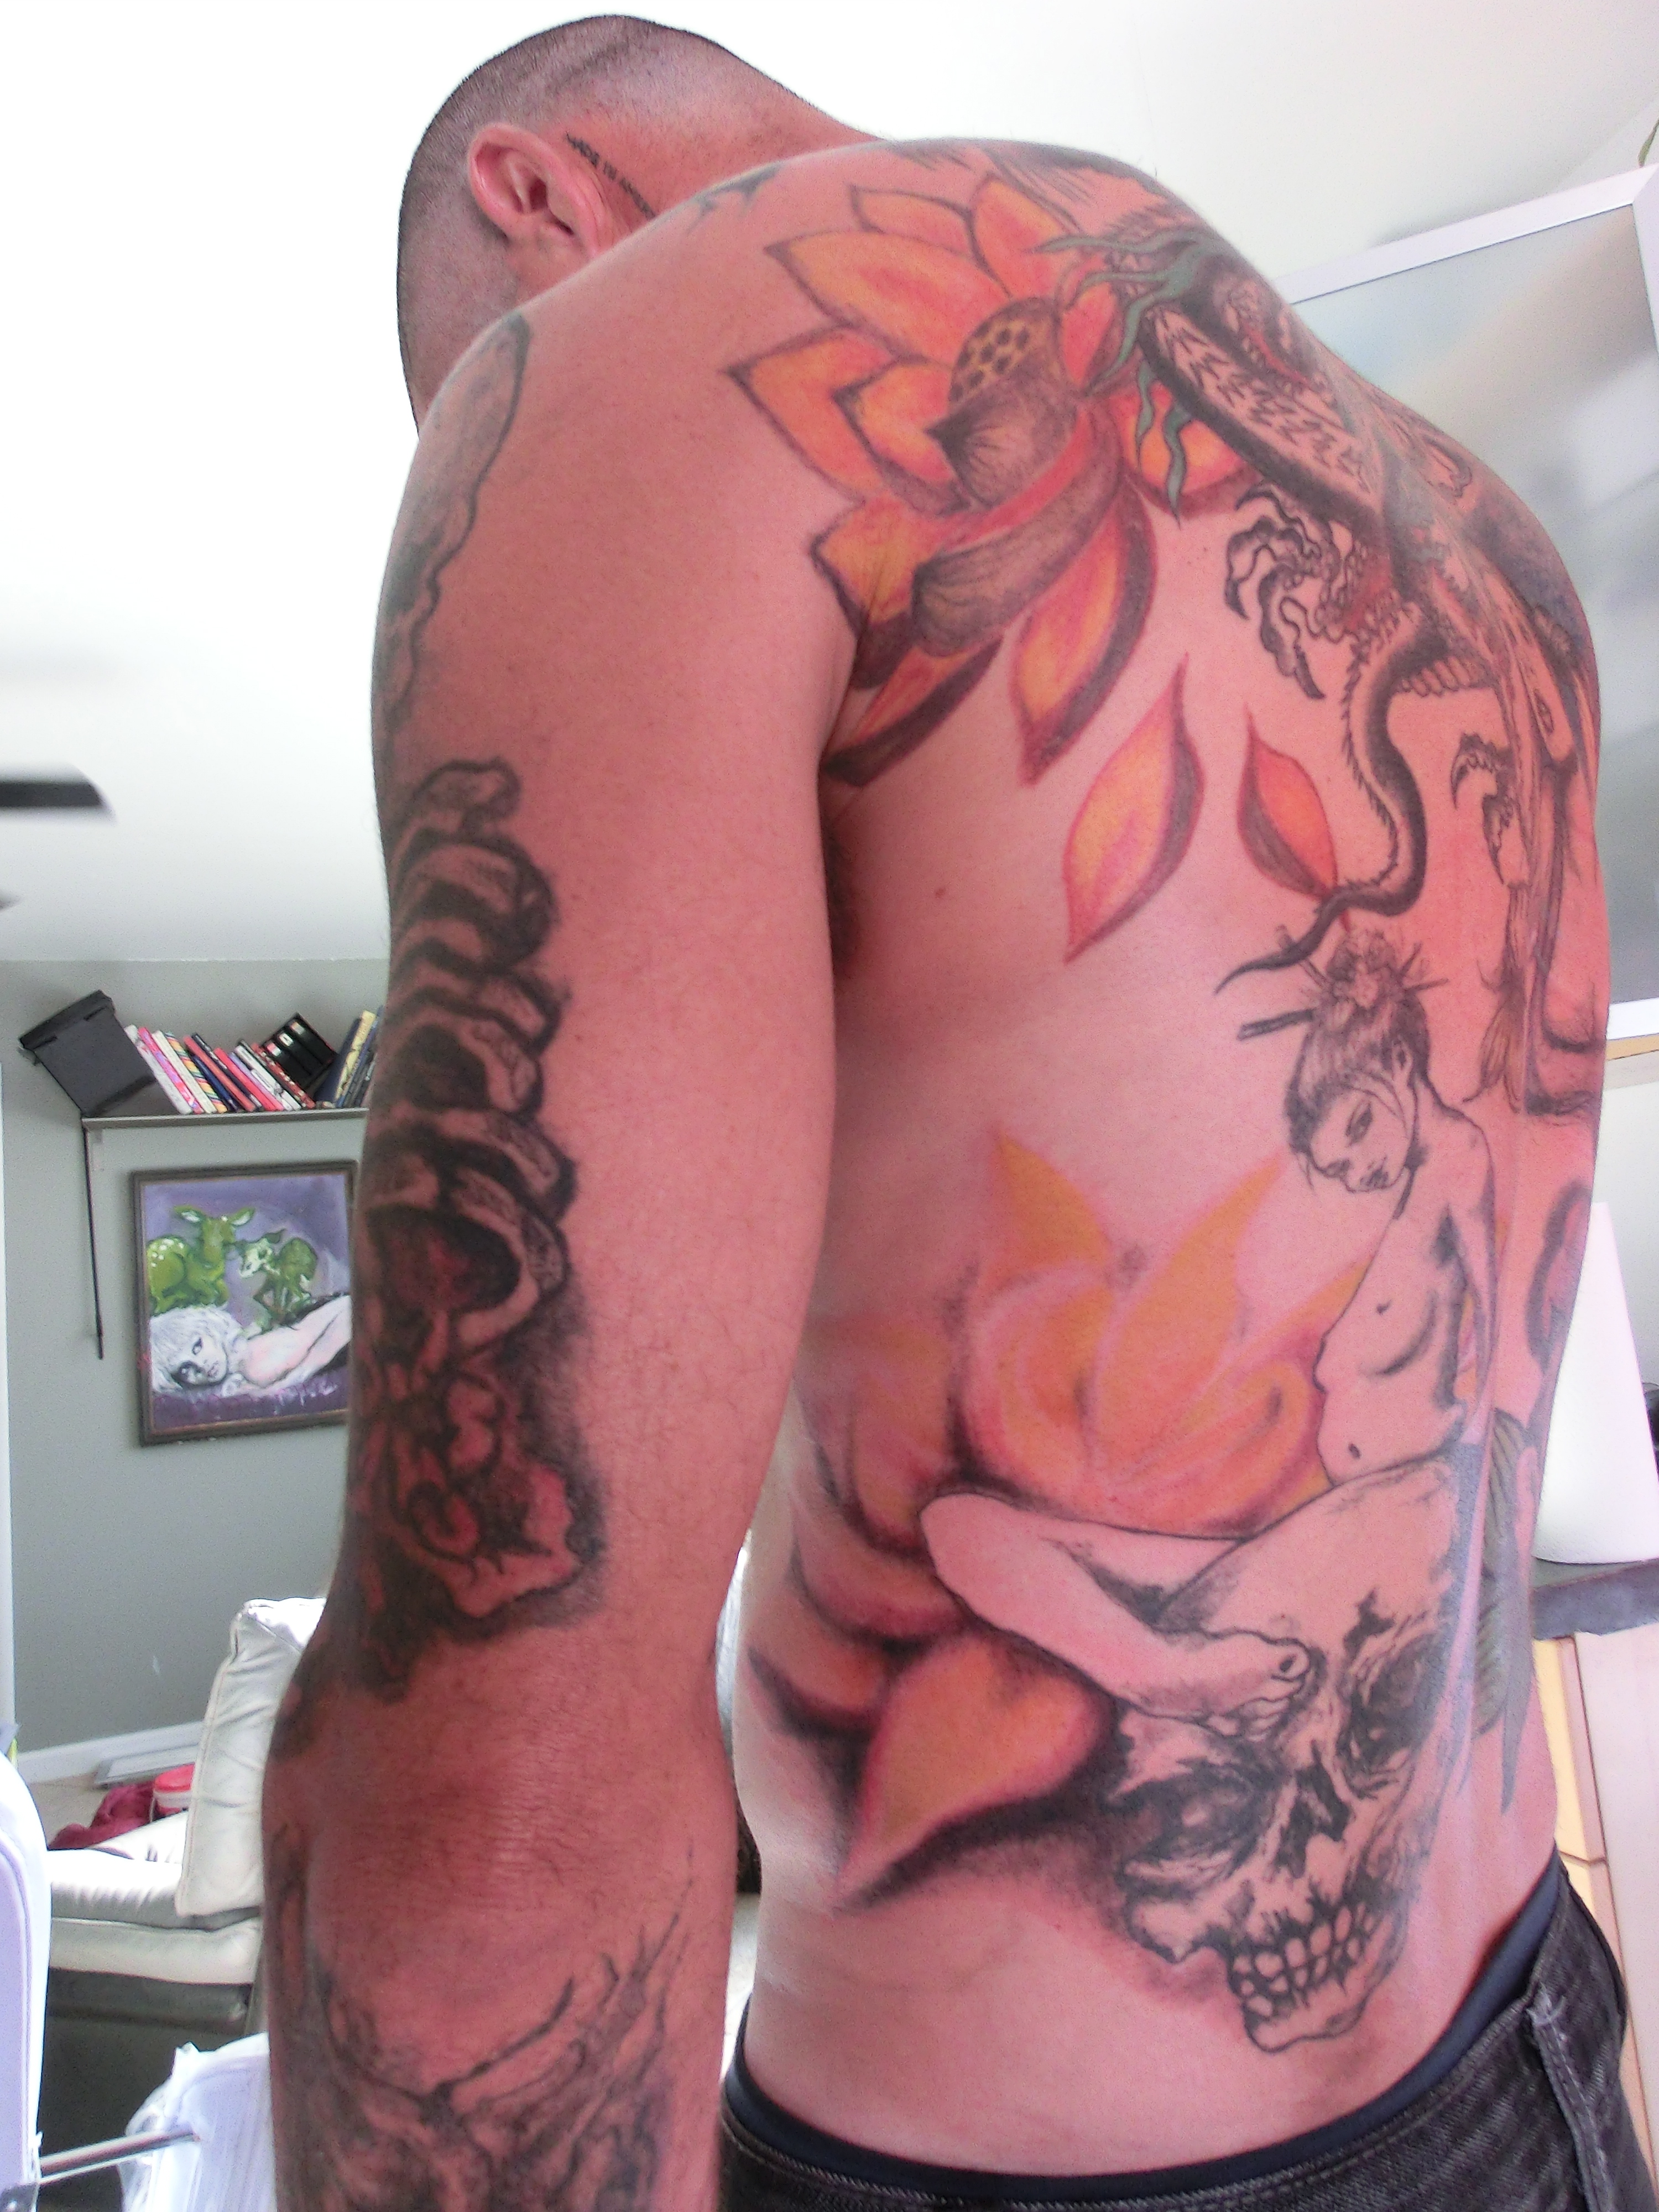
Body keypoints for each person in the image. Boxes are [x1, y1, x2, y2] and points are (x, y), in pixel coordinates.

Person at [263, 18, 1644, 2212]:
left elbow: (500, 1777)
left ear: (537, 199)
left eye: (465, 387)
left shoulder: (642, 364)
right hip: (1528, 2048)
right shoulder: (1473, 522)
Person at [150, 1293, 351, 1395]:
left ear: (210, 1330)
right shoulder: (238, 1379)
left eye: (198, 1347)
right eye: (185, 1370)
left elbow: (349, 1307)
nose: (201, 1365)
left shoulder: (254, 1362)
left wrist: (294, 1379)